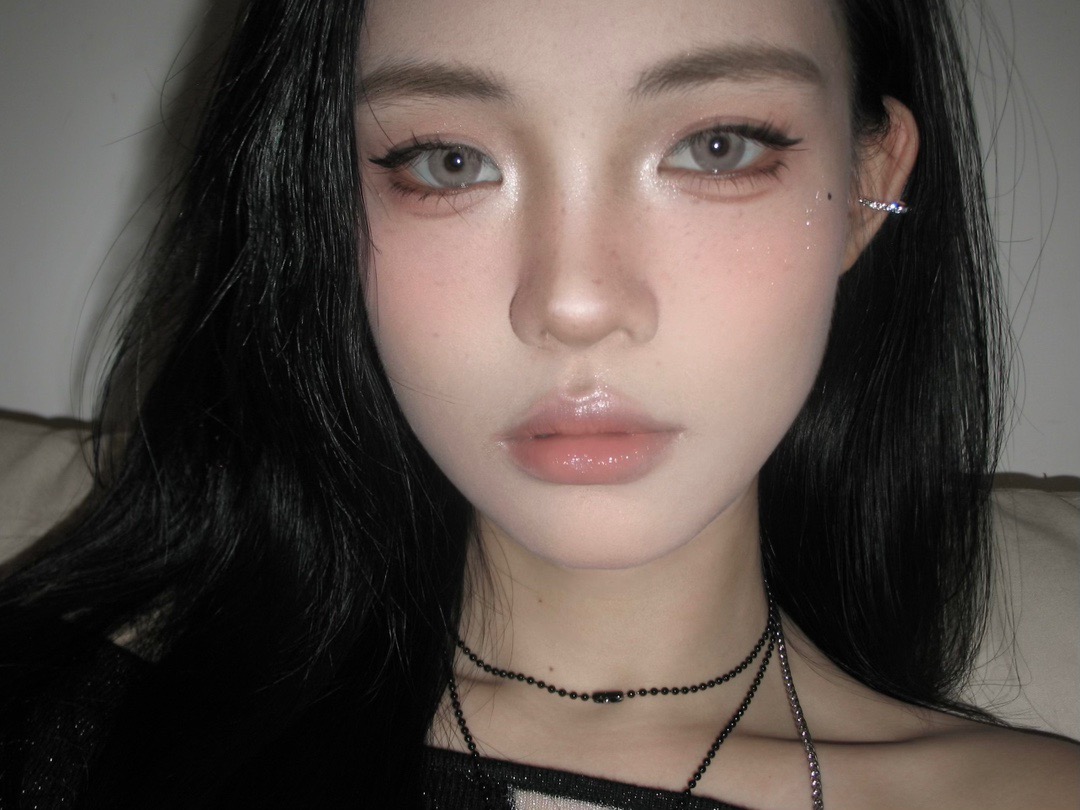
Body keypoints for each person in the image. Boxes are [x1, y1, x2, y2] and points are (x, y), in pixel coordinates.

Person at [0, 0, 1077, 807]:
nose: (573, 302)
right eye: (449, 161)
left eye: (717, 146)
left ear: (869, 185)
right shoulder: (62, 719)